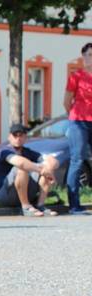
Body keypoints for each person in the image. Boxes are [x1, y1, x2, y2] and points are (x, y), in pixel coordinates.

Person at [0, 123, 59, 216]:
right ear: (9, 137)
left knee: (46, 167)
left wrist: (49, 168)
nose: (18, 138)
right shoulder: (4, 151)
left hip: (25, 192)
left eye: (21, 135)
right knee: (21, 168)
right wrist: (41, 170)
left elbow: (52, 161)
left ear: (25, 137)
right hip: (4, 195)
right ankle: (26, 206)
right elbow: (20, 163)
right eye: (15, 135)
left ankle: (40, 205)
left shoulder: (28, 152)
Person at [63, 42, 92, 215]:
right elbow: (66, 102)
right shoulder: (76, 76)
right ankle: (74, 205)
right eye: (87, 55)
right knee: (78, 159)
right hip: (79, 121)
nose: (89, 58)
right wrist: (75, 115)